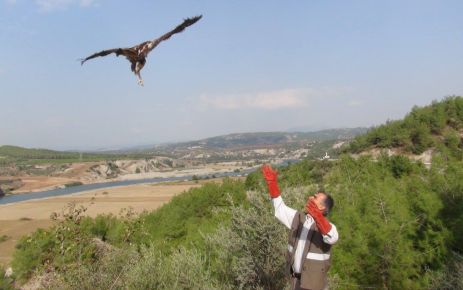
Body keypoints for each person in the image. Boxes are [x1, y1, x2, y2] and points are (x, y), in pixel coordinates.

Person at [262, 164, 339, 290]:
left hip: (313, 286)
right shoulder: (299, 218)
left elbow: (332, 237)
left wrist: (318, 217)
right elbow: (280, 209)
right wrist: (272, 184)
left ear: (322, 207)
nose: (310, 197)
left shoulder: (329, 228)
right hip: (295, 282)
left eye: (314, 197)